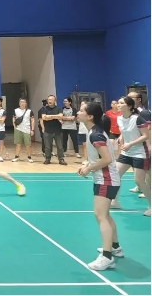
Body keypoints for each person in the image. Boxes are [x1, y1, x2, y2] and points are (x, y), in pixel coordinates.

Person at [76, 101, 122, 271]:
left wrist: (89, 168)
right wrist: (88, 164)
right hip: (104, 178)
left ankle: (107, 257)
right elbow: (100, 157)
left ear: (90, 116)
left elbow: (107, 159)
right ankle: (115, 247)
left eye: (81, 110)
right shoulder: (93, 132)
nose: (78, 112)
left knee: (100, 215)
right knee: (105, 215)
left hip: (106, 179)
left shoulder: (96, 134)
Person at [112, 96, 151, 215]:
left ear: (129, 106)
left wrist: (130, 144)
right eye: (118, 103)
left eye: (121, 103)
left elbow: (146, 136)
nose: (118, 105)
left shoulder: (137, 119)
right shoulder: (119, 118)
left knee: (139, 181)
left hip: (140, 152)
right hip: (126, 152)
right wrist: (121, 137)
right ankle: (115, 202)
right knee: (115, 175)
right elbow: (124, 131)